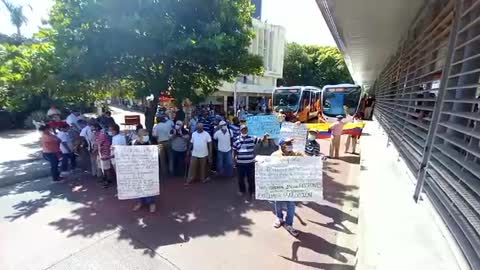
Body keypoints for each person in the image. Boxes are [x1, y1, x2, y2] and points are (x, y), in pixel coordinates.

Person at [271, 137, 303, 237]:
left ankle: (289, 224)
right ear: (281, 146)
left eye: (290, 143)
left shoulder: (297, 154)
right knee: (278, 202)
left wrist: (318, 158)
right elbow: (268, 167)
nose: (290, 145)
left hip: (291, 184)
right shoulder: (275, 155)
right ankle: (279, 218)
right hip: (279, 183)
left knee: (291, 203)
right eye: (287, 143)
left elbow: (309, 161)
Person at [233, 125, 268, 200]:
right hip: (240, 163)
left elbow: (261, 140)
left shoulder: (252, 138)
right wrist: (234, 160)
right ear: (240, 130)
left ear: (247, 130)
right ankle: (242, 190)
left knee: (251, 178)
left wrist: (264, 137)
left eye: (245, 129)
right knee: (240, 178)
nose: (244, 131)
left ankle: (251, 191)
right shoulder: (236, 139)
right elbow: (234, 150)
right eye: (242, 129)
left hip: (250, 163)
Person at [132, 129, 157, 213]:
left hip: (148, 169)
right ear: (139, 136)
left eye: (147, 135)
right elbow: (126, 152)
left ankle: (152, 203)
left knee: (149, 186)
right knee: (139, 186)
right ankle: (140, 202)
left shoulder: (149, 142)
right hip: (138, 169)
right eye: (145, 135)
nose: (146, 137)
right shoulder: (134, 143)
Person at [92, 123, 114, 188]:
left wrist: (93, 152)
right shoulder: (96, 134)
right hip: (100, 153)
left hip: (105, 153)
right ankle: (105, 178)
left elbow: (98, 145)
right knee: (102, 167)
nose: (91, 129)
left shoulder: (101, 135)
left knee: (106, 168)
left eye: (92, 127)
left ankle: (108, 180)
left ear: (96, 128)